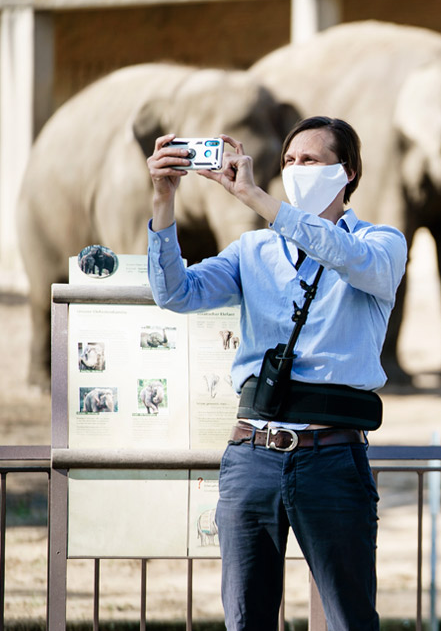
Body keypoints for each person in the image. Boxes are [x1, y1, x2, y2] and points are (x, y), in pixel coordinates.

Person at [146, 116, 407, 631]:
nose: (295, 168)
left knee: (349, 618)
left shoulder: (382, 243)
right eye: (289, 161)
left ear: (348, 172)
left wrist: (258, 200)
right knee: (245, 616)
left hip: (331, 455)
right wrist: (163, 201)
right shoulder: (253, 250)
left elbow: (341, 254)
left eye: (310, 160)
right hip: (252, 456)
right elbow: (174, 293)